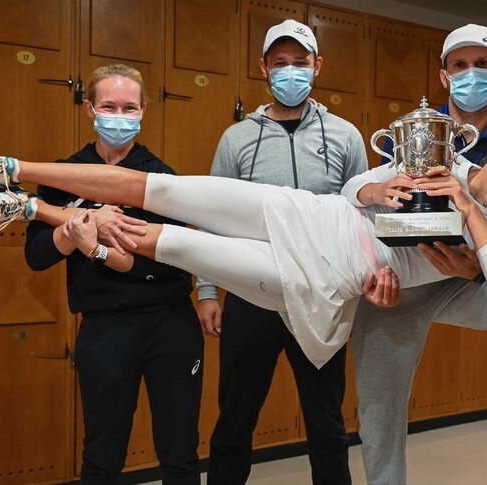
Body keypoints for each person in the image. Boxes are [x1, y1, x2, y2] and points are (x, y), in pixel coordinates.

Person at [0, 111, 487, 375]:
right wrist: (374, 194)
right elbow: (354, 192)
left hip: (318, 275)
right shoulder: (432, 162)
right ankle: (10, 169)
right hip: (305, 212)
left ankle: (29, 207)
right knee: (161, 188)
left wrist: (469, 209)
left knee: (171, 243)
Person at [0, 64, 204, 485]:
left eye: (129, 107)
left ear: (144, 110)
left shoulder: (161, 178)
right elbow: (37, 256)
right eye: (109, 106)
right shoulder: (63, 177)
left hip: (170, 325)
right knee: (101, 455)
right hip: (104, 328)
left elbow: (173, 265)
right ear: (89, 109)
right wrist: (76, 230)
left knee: (180, 453)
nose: (120, 115)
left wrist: (100, 247)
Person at [353, 24, 487, 485]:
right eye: (460, 66)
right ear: (445, 75)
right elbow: (368, 207)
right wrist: (374, 270)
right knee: (380, 404)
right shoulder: (419, 134)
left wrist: (477, 274)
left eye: (482, 65)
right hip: (398, 285)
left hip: (464, 282)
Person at [195, 19, 368, 485]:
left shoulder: (346, 136)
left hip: (320, 296)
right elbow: (212, 216)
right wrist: (207, 290)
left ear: (318, 67)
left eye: (301, 63)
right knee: (234, 418)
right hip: (252, 292)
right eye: (280, 64)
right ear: (263, 69)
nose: (291, 72)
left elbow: (361, 215)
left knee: (326, 422)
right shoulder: (236, 139)